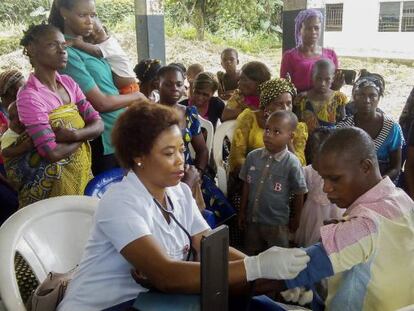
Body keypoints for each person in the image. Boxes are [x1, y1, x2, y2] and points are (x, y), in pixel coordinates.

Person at [57, 102, 310, 310]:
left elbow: (210, 246)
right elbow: (165, 276)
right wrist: (256, 268)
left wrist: (274, 275)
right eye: (168, 153)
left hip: (159, 302)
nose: (181, 161)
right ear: (138, 156)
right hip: (110, 305)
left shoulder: (178, 193)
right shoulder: (120, 202)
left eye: (181, 150)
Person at [284, 127, 414, 310]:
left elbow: (287, 273)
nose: (326, 188)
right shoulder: (401, 199)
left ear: (366, 167)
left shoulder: (364, 225)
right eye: (323, 179)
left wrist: (247, 268)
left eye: (335, 179)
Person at [8, 23, 103, 208]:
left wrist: (74, 135)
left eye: (63, 45)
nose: (62, 50)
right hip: (52, 189)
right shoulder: (29, 96)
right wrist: (85, 135)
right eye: (53, 45)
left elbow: (98, 124)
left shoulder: (69, 83)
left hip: (80, 174)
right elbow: (51, 153)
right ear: (32, 50)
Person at [48, 0, 146, 175]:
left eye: (93, 15)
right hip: (103, 140)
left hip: (120, 134)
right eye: (82, 15)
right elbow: (100, 103)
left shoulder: (91, 47)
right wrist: (137, 97)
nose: (89, 21)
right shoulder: (67, 54)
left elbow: (122, 78)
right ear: (64, 12)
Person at [238, 110, 307, 253]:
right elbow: (246, 184)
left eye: (276, 132)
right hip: (253, 219)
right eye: (267, 129)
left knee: (277, 258)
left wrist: (297, 218)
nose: (268, 135)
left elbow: (300, 192)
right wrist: (242, 211)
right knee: (252, 253)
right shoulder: (253, 157)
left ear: (290, 136)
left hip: (277, 223)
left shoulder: (292, 163)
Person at [229, 78, 307, 175]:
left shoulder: (298, 128)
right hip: (251, 175)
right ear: (266, 105)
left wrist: (289, 142)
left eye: (289, 103)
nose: (285, 109)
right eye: (279, 104)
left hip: (282, 179)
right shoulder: (250, 118)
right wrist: (260, 173)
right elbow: (237, 157)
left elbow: (300, 166)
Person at [337, 71, 404, 182]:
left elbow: (395, 168)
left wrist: (378, 182)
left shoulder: (391, 127)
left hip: (383, 181)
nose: (367, 100)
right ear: (354, 97)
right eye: (361, 95)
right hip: (352, 180)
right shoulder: (344, 127)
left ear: (379, 98)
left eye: (372, 96)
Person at [294, 127, 344, 247]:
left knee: (331, 242)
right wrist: (297, 215)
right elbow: (300, 192)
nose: (319, 158)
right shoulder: (308, 171)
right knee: (310, 242)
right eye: (315, 152)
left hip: (334, 211)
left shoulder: (340, 172)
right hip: (312, 212)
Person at [70, 17, 139, 94]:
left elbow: (96, 51)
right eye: (90, 36)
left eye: (98, 32)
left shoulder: (110, 44)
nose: (95, 36)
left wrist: (79, 43)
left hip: (130, 88)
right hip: (122, 89)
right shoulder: (102, 45)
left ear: (104, 29)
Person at [280, 8, 343, 93]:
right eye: (308, 28)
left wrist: (337, 86)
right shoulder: (289, 57)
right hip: (299, 104)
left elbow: (333, 86)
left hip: (326, 104)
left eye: (316, 28)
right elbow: (284, 87)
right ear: (299, 30)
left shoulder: (331, 55)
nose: (313, 32)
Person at [294, 59, 348, 133]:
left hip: (330, 141)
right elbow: (297, 124)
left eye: (327, 79)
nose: (322, 83)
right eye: (318, 78)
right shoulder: (302, 99)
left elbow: (343, 122)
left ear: (333, 78)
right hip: (307, 142)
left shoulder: (338, 98)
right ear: (312, 76)